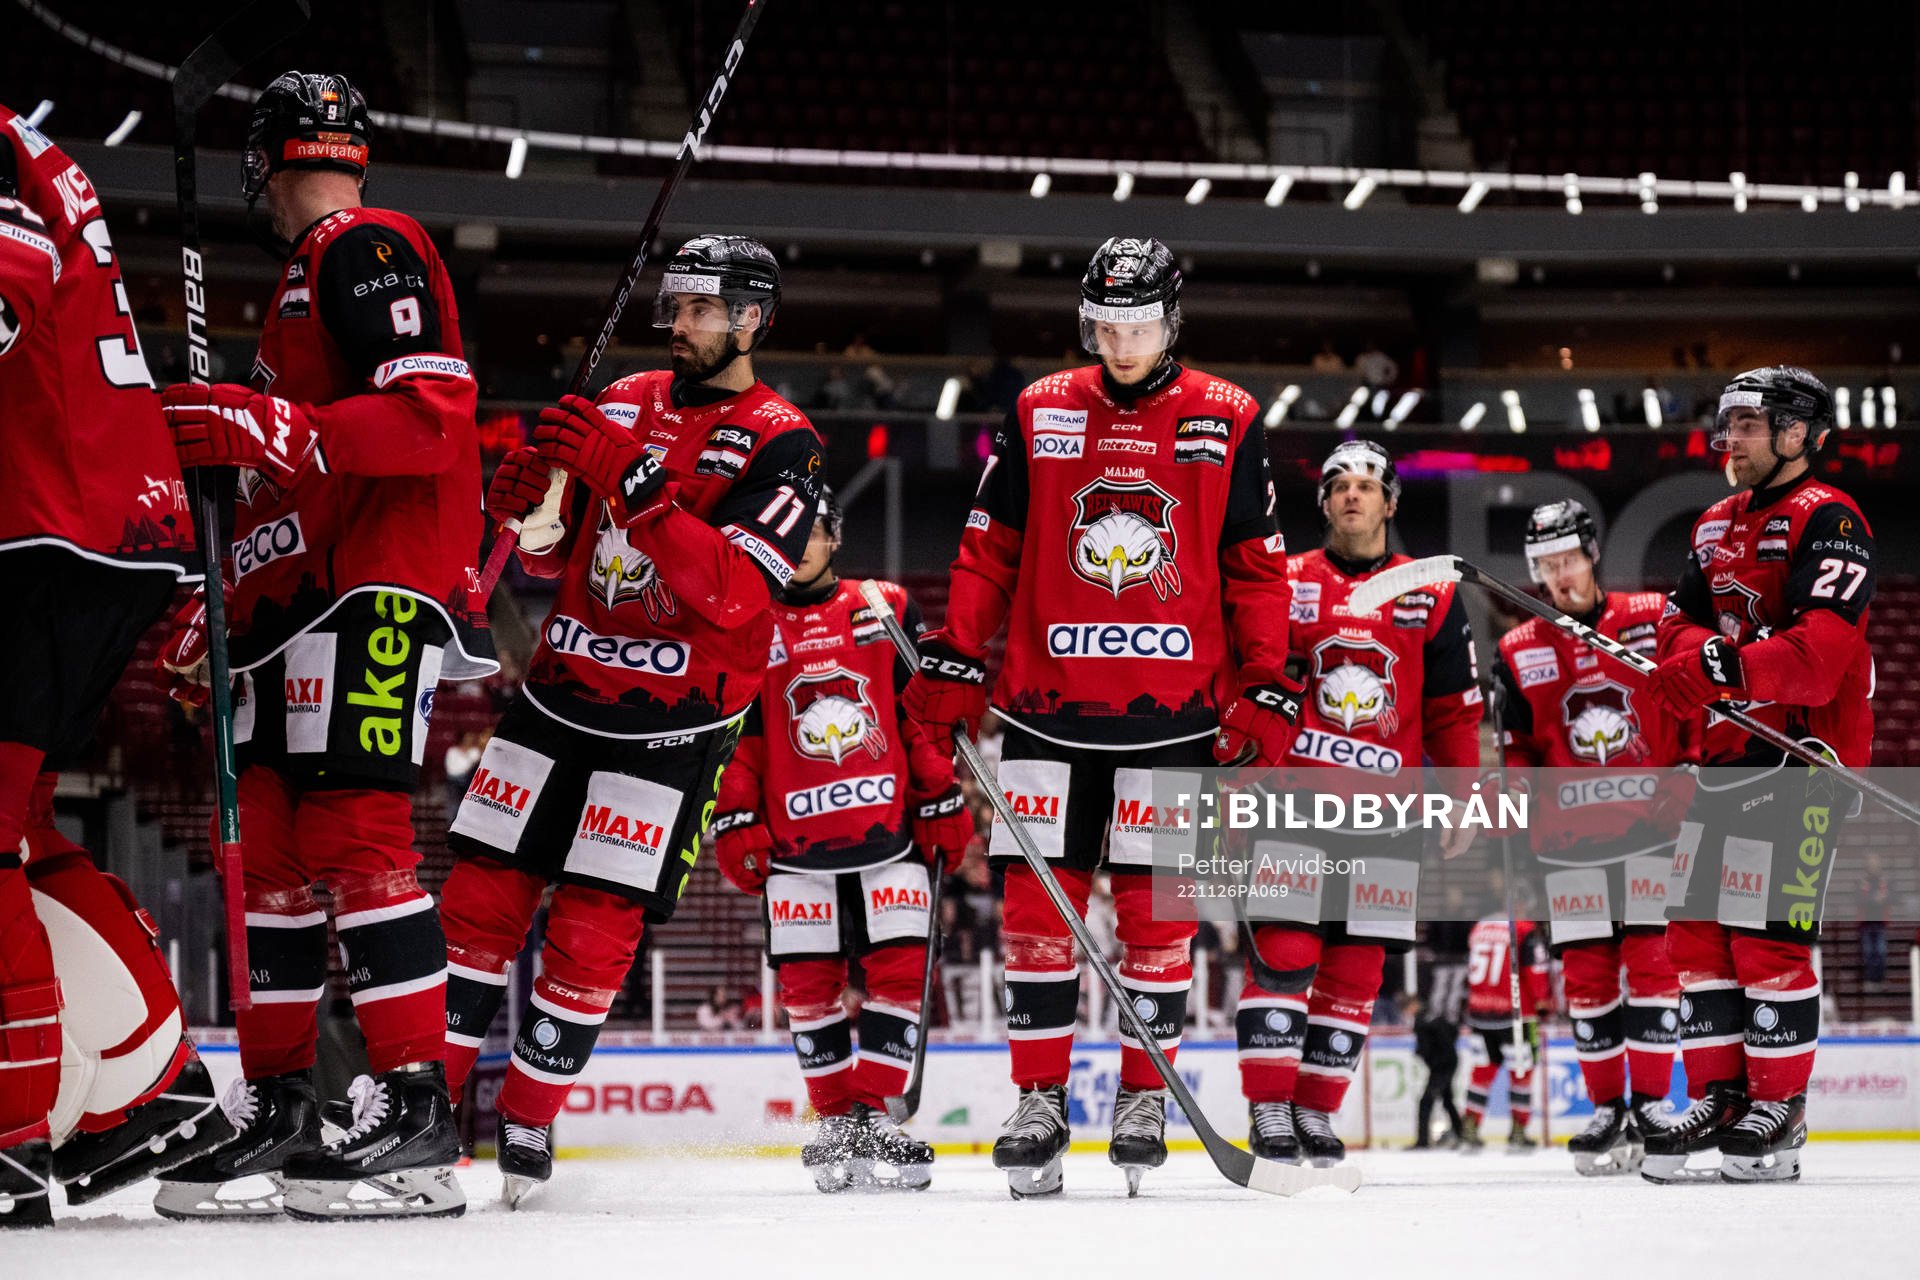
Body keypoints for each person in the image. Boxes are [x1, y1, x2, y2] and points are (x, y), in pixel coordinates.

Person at [151, 72, 496, 1221]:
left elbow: (430, 416)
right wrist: (221, 589)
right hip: (286, 606)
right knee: (276, 852)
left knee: (352, 829)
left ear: (263, 161)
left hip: (370, 594)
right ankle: (284, 1100)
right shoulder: (298, 285)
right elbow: (276, 476)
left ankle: (416, 1108)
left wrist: (273, 422)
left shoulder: (366, 244)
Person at [902, 236, 1298, 1197]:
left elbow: (1255, 568)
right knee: (1038, 922)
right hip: (1044, 714)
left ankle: (1142, 1096)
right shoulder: (1040, 410)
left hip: (1175, 721)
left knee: (1157, 925)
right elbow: (991, 547)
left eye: (1140, 324)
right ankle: (1039, 1101)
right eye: (1106, 325)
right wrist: (961, 648)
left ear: (1172, 322)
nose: (1122, 343)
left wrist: (1267, 678)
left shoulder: (1228, 415)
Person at [437, 233, 825, 1208]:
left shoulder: (786, 439)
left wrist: (639, 484)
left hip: (674, 725)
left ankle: (527, 1110)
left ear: (750, 317)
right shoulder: (623, 397)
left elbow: (735, 593)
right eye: (676, 305)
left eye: (701, 307)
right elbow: (550, 554)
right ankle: (424, 1107)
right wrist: (526, 506)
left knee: (596, 928)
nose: (681, 321)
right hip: (559, 692)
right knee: (478, 901)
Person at [0, 104, 231, 1229]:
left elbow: (5, 288)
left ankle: (3, 1134)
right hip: (99, 527)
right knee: (24, 825)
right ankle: (158, 1090)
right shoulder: (29, 143)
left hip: (44, 527)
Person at [1643, 366, 1874, 1184]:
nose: (1729, 436)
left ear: (1799, 433)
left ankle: (1781, 1108)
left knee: (1766, 938)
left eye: (1749, 422)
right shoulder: (1710, 525)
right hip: (1727, 758)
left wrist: (1720, 664)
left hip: (1805, 760)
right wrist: (1695, 662)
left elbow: (1817, 661)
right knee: (1696, 935)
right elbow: (1677, 629)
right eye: (1729, 421)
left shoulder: (1832, 519)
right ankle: (1723, 1097)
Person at [711, 490, 973, 1191]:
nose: (800, 544)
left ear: (836, 539)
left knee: (900, 972)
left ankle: (874, 1115)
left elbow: (916, 714)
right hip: (795, 842)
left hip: (888, 830)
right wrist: (735, 816)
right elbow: (742, 736)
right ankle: (836, 1124)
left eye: (814, 531)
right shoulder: (748, 618)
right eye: (788, 532)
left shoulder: (883, 604)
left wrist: (939, 789)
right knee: (808, 986)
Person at [1232, 441, 1479, 1168]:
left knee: (1358, 968)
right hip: (1292, 808)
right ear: (1323, 502)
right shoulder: (1286, 578)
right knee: (1284, 952)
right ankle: (1270, 1108)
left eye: (1367, 485)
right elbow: (1249, 685)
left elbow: (1452, 711)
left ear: (1391, 502)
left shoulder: (1429, 589)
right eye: (1338, 484)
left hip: (1387, 820)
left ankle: (1314, 1112)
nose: (1352, 495)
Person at [1490, 499, 1687, 1174]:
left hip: (1652, 831)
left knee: (1654, 965)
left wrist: (1686, 772)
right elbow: (1516, 745)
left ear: (1592, 555)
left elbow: (1690, 701)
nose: (1559, 576)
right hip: (1567, 842)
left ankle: (1654, 1103)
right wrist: (1513, 785)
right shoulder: (1518, 649)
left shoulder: (1651, 619)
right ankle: (1607, 1107)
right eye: (1545, 566)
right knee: (1589, 977)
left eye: (1568, 560)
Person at [1458, 909, 1551, 1151]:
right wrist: (1543, 1001)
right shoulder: (1525, 929)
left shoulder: (1480, 927)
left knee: (1481, 1073)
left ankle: (1469, 1128)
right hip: (1517, 1014)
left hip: (1479, 1011)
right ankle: (1519, 1132)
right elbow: (1536, 969)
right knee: (1521, 1073)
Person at [1398, 992, 1463, 1149]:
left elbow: (1424, 1047)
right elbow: (1454, 1030)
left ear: (1411, 1005)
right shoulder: (1434, 1014)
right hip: (1449, 1062)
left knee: (1426, 1101)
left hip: (1440, 1066)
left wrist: (1424, 1055)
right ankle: (1463, 1135)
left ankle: (1423, 1141)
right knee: (1447, 1101)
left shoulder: (1421, 1021)